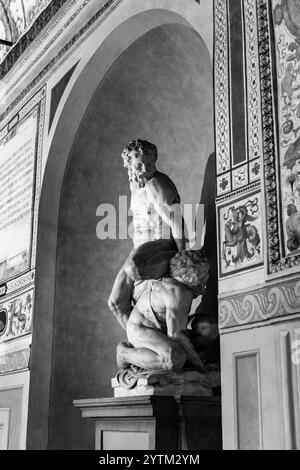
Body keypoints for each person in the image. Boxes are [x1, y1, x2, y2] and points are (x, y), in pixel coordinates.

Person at [108, 139, 186, 329]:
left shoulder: (156, 184)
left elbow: (176, 220)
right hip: (141, 247)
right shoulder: (136, 187)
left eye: (149, 163)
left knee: (133, 268)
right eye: (139, 164)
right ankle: (138, 339)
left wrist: (184, 254)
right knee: (116, 302)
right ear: (129, 165)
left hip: (162, 243)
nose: (145, 168)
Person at [116, 250, 209, 372]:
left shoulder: (174, 284)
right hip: (140, 329)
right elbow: (177, 336)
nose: (206, 279)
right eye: (204, 273)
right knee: (174, 359)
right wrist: (200, 367)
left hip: (151, 329)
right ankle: (124, 354)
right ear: (191, 274)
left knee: (199, 335)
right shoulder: (179, 293)